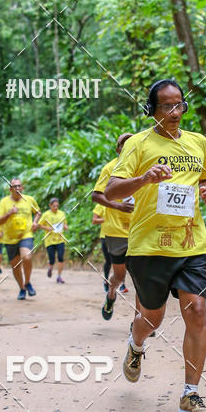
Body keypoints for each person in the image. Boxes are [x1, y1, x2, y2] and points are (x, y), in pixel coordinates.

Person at [105, 79, 206, 412]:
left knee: (196, 312)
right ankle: (136, 344)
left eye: (179, 105)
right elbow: (111, 190)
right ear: (151, 110)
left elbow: (205, 179)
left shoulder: (198, 142)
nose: (174, 112)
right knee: (152, 319)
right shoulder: (138, 145)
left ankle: (190, 394)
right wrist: (143, 180)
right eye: (166, 106)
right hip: (148, 246)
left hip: (191, 243)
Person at [92, 133, 134, 320]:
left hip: (141, 230)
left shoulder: (144, 167)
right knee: (119, 275)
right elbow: (96, 195)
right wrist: (118, 206)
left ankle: (140, 321)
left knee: (142, 278)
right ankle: (111, 294)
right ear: (118, 150)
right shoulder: (110, 168)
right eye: (123, 146)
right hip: (116, 231)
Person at [0, 178, 40, 300]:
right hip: (10, 238)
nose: (17, 188)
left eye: (19, 186)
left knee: (27, 257)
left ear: (22, 188)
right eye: (14, 186)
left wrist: (35, 222)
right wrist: (9, 213)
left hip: (26, 234)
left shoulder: (29, 199)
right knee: (15, 266)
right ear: (10, 189)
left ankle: (28, 282)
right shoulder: (4, 202)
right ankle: (22, 288)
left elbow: (38, 212)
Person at [38, 197, 68, 283]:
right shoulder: (46, 214)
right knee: (52, 259)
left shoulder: (62, 214)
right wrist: (48, 228)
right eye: (54, 206)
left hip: (60, 239)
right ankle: (50, 267)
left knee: (61, 257)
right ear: (50, 206)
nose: (56, 207)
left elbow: (65, 224)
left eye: (57, 206)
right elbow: (39, 224)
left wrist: (66, 227)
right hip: (49, 240)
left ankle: (59, 276)